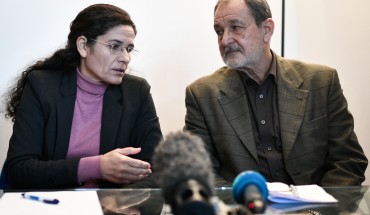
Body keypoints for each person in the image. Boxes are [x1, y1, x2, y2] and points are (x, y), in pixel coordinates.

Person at [184, 0, 368, 186]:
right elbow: (199, 173)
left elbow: (348, 162)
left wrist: (317, 210)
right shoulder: (202, 95)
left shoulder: (321, 82)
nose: (225, 40)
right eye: (219, 31)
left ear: (267, 29)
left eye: (236, 27)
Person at [3, 4, 162, 189]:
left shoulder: (137, 92)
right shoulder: (42, 85)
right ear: (83, 46)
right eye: (114, 46)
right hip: (52, 204)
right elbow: (19, 169)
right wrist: (97, 167)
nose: (125, 58)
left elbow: (159, 169)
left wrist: (119, 202)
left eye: (128, 48)